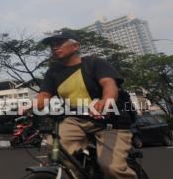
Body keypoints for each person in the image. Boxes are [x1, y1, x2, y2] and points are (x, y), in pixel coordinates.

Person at [36, 30, 137, 179]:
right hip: (75, 120)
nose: (54, 48)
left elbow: (109, 84)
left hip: (110, 120)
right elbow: (44, 95)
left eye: (59, 43)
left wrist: (106, 101)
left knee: (112, 168)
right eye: (52, 45)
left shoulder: (95, 63)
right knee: (55, 149)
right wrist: (28, 108)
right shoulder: (53, 72)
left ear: (75, 46)